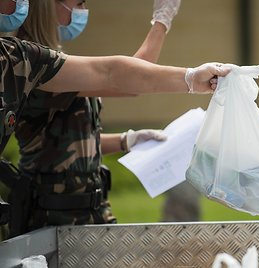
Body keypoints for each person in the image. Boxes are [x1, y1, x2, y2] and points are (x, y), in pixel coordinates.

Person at [0, 0, 230, 237]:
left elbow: (69, 141)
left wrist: (126, 140)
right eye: (78, 3)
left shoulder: (38, 60)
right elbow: (120, 77)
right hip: (52, 215)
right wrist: (162, 22)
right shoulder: (27, 66)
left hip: (87, 207)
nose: (82, 10)